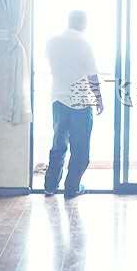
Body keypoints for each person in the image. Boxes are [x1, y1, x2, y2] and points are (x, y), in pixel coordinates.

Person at [43, 10, 103, 199]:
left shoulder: (52, 42)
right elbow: (92, 75)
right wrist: (99, 98)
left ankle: (50, 186)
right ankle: (72, 188)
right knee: (80, 150)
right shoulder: (84, 44)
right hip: (80, 103)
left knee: (58, 145)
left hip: (58, 100)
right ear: (83, 23)